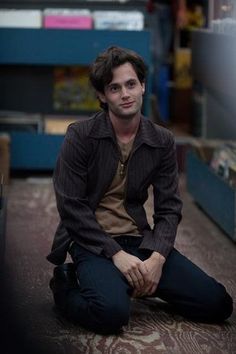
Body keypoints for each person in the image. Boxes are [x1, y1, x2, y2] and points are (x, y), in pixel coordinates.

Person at [47, 46, 233, 334]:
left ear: (143, 85)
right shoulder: (80, 136)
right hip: (93, 241)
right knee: (111, 314)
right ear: (101, 95)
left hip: (140, 242)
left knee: (218, 304)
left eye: (131, 84)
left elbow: (169, 208)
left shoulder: (161, 140)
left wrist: (157, 259)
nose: (125, 94)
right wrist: (115, 255)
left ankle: (127, 282)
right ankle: (67, 284)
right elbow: (71, 208)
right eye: (114, 88)